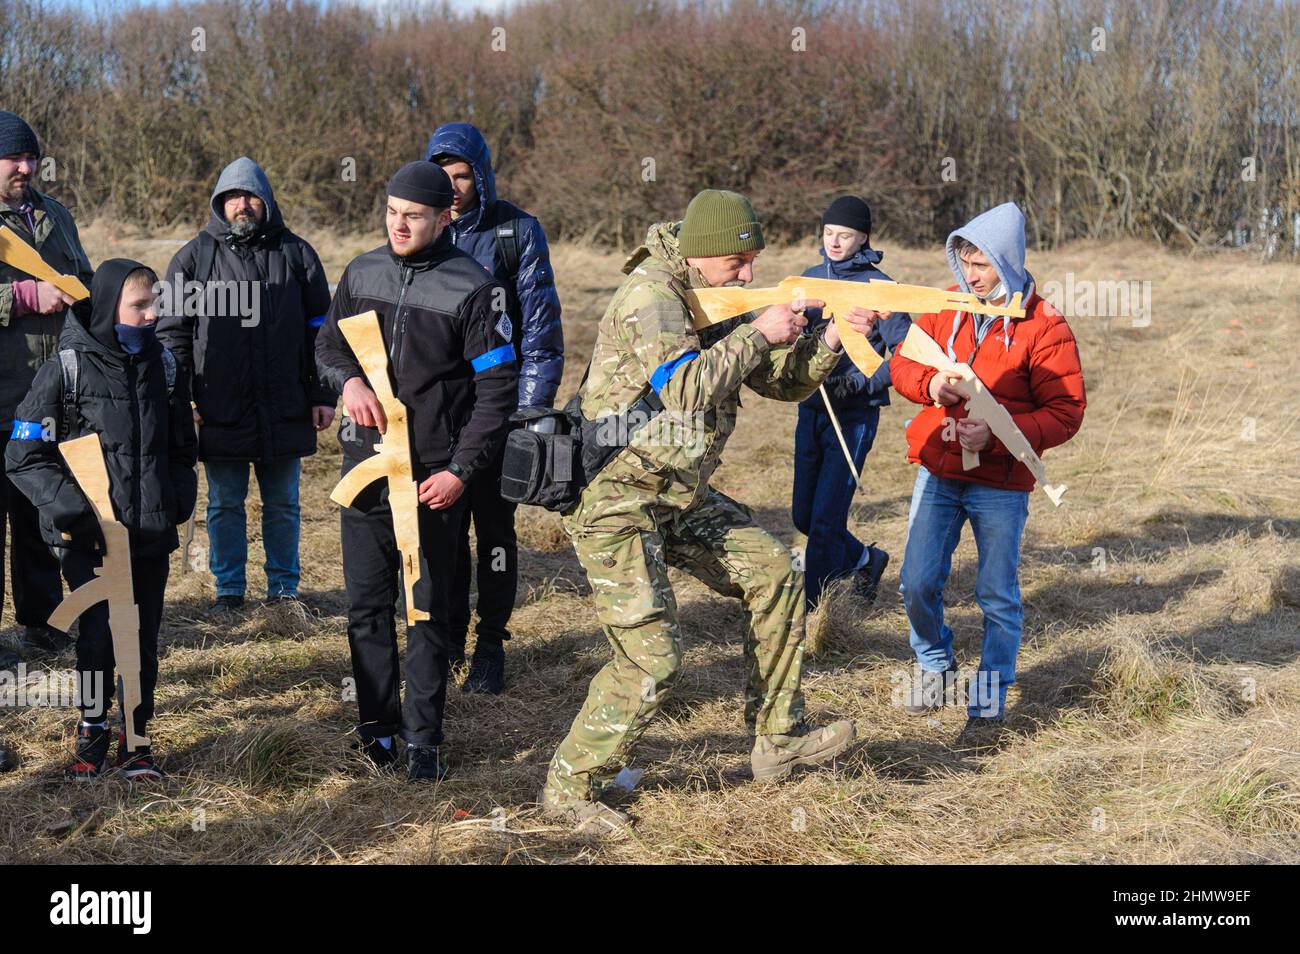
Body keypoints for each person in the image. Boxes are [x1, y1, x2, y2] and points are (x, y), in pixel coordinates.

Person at [541, 190, 873, 832]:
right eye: (738, 264)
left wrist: (830, 339)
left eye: (753, 264)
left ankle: (777, 740)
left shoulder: (712, 292)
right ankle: (570, 789)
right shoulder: (652, 296)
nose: (748, 276)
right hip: (619, 500)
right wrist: (757, 331)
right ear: (702, 253)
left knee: (777, 574)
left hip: (677, 495)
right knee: (653, 657)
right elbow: (687, 388)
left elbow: (779, 380)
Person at [315, 162, 517, 782]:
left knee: (425, 610)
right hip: (366, 469)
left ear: (445, 217)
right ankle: (375, 730)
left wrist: (460, 470)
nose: (399, 225)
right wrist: (346, 380)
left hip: (433, 477)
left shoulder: (475, 287)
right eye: (391, 212)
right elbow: (329, 345)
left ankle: (423, 738)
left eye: (414, 216)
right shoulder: (361, 271)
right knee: (365, 608)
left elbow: (498, 388)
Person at [889, 202, 1086, 748]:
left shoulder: (1044, 326)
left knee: (996, 594)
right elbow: (903, 362)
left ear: (1007, 260)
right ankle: (935, 664)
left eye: (981, 265)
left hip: (1001, 484)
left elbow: (1066, 411)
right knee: (917, 581)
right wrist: (931, 387)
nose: (970, 275)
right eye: (964, 262)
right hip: (938, 468)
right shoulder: (946, 307)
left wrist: (996, 433)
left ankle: (988, 703)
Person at [5, 260, 198, 780]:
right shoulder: (64, 371)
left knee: (140, 637)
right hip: (88, 540)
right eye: (141, 306)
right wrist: (72, 511)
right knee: (97, 637)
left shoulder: (167, 367)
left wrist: (178, 496)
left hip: (150, 534)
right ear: (113, 307)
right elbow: (24, 453)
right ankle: (92, 731)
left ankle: (137, 738)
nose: (154, 315)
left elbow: (181, 445)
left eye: (156, 303)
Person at [157, 157, 334, 611]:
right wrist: (183, 400)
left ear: (267, 201)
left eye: (251, 196)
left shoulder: (297, 253)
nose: (242, 205)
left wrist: (323, 393)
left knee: (283, 504)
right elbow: (172, 333)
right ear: (219, 203)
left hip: (286, 403)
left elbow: (324, 330)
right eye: (232, 197)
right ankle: (229, 590)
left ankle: (284, 591)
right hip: (220, 407)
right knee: (224, 503)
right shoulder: (194, 257)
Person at [425, 122, 565, 693]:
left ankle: (490, 644)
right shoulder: (423, 231)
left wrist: (530, 414)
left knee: (496, 533)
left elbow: (541, 330)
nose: (453, 188)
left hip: (502, 410)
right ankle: (450, 635)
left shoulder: (517, 232)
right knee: (446, 535)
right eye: (443, 178)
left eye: (462, 176)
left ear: (480, 176)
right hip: (443, 413)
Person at [0, 110, 93, 678]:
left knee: (37, 512)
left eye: (31, 158)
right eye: (14, 159)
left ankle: (41, 620)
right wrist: (21, 300)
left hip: (45, 397)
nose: (27, 168)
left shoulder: (54, 216)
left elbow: (81, 279)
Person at [791, 195, 911, 609]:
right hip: (811, 407)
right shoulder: (809, 279)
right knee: (802, 518)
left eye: (845, 235)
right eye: (828, 234)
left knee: (825, 522)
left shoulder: (882, 288)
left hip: (854, 416)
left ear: (863, 237)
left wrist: (864, 382)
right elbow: (792, 336)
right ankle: (865, 558)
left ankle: (813, 613)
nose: (835, 242)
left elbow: (905, 352)